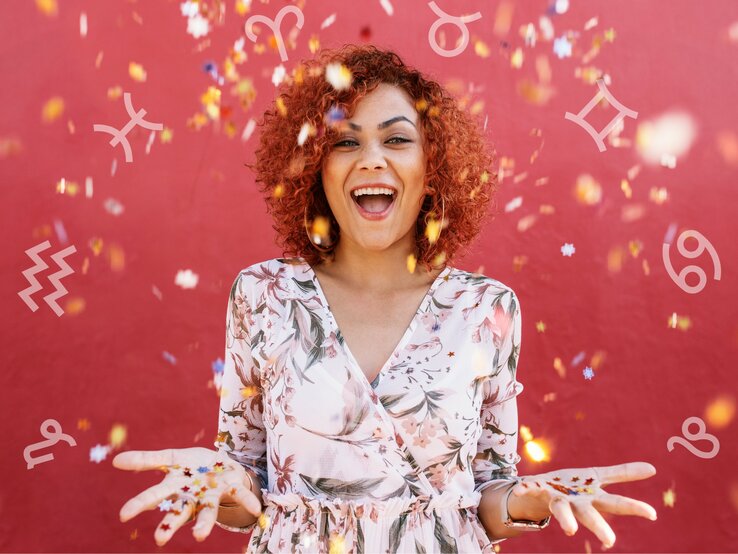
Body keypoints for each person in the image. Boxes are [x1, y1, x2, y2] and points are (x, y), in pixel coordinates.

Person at [113, 44, 658, 553]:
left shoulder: (487, 309)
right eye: (345, 141)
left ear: (433, 169)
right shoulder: (264, 295)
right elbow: (246, 487)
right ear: (316, 171)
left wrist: (531, 501)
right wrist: (226, 484)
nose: (371, 158)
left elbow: (488, 491)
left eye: (396, 139)